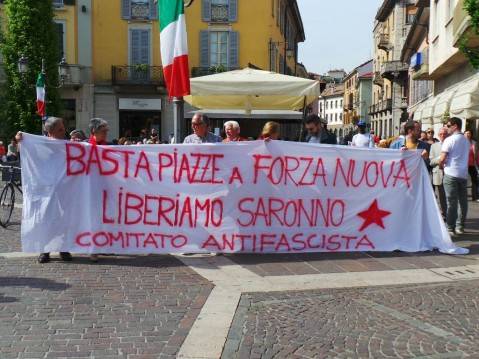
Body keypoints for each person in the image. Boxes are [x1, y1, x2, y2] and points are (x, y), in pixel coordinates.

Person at [16, 117, 73, 264]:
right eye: (60, 129)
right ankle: (45, 249)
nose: (64, 131)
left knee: (63, 218)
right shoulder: (40, 144)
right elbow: (24, 152)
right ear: (51, 131)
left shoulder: (68, 145)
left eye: (63, 127)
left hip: (63, 188)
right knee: (44, 218)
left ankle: (63, 248)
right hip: (44, 189)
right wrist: (20, 140)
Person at [439, 117, 470, 236]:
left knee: (451, 202)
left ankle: (450, 228)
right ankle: (460, 227)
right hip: (463, 174)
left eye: (448, 125)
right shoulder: (466, 140)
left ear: (455, 126)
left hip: (451, 173)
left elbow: (442, 158)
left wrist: (441, 166)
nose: (447, 128)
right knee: (463, 202)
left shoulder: (449, 140)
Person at [429, 127, 449, 219]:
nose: (443, 136)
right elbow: (431, 162)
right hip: (438, 173)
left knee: (450, 196)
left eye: (445, 134)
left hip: (450, 173)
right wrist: (440, 158)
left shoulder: (451, 144)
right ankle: (443, 214)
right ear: (438, 135)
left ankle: (450, 214)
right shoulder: (434, 146)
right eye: (441, 134)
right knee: (441, 197)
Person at [464, 130, 478, 202]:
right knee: (463, 180)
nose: (467, 134)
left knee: (475, 180)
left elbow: (476, 155)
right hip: (463, 164)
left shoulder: (474, 143)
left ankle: (475, 196)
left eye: (469, 133)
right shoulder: (461, 143)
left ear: (471, 135)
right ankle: (463, 195)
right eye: (466, 133)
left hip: (472, 164)